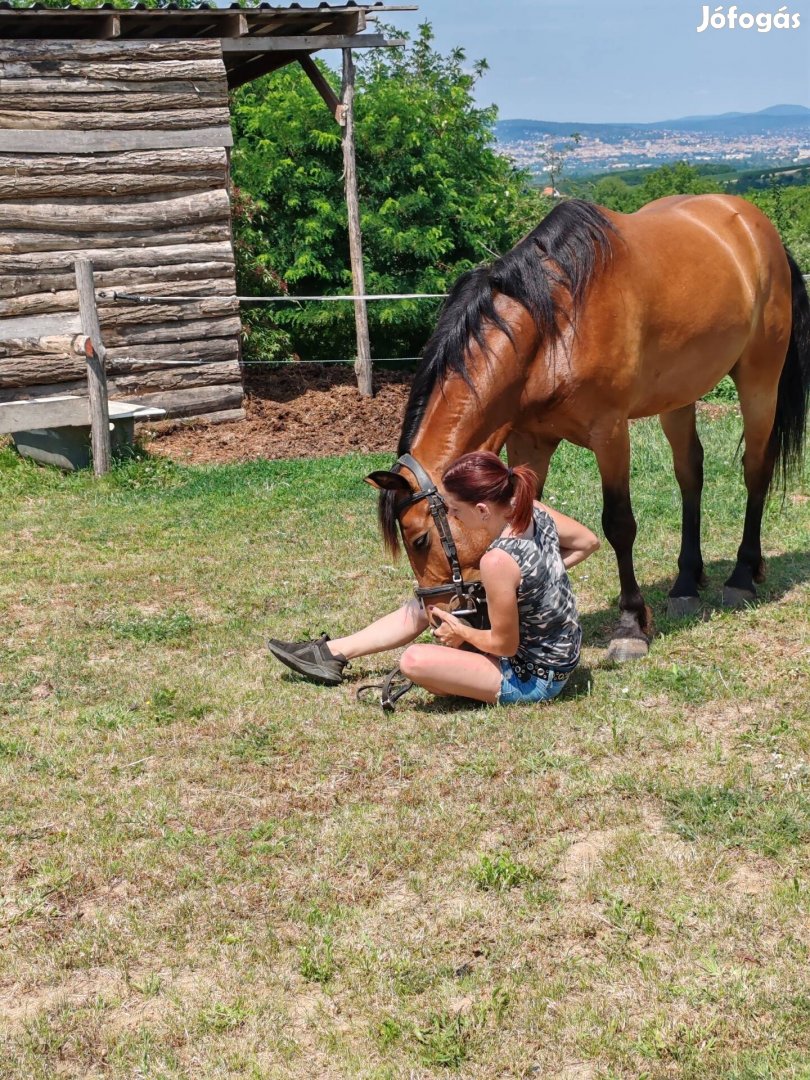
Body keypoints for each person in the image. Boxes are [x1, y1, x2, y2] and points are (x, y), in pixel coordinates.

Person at [267, 451, 599, 705]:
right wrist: (535, 581)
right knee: (441, 612)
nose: (452, 516)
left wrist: (463, 631)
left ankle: (469, 682)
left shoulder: (498, 560)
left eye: (455, 510)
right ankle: (334, 653)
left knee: (414, 661)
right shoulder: (532, 508)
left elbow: (505, 645)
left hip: (536, 680)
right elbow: (588, 542)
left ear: (482, 510)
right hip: (564, 655)